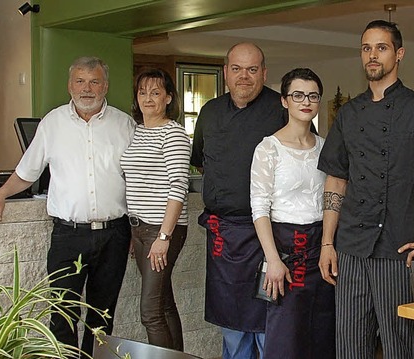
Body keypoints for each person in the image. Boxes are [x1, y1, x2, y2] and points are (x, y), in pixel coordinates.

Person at [317, 20, 414, 358]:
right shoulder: (348, 113)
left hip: (398, 251)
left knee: (401, 346)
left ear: (398, 54)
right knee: (349, 346)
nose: (373, 55)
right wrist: (328, 243)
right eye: (366, 48)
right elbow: (336, 180)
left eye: (381, 47)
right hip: (350, 250)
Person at [0, 56, 135, 357]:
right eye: (80, 81)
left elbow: (137, 179)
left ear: (105, 86)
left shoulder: (124, 124)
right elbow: (27, 172)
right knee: (61, 314)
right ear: (69, 85)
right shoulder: (52, 123)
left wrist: (137, 228)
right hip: (68, 236)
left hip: (115, 235)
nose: (86, 88)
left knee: (102, 316)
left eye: (94, 81)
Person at [190, 42, 286, 359]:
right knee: (231, 324)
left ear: (264, 73)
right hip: (223, 236)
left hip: (268, 235)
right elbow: (201, 160)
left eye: (252, 69)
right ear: (225, 73)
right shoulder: (210, 112)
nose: (243, 77)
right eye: (236, 69)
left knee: (266, 321)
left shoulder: (282, 111)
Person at [250, 68, 335, 359]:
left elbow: (332, 200)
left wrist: (329, 244)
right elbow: (259, 208)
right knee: (286, 331)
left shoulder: (325, 147)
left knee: (323, 328)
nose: (306, 101)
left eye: (313, 95)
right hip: (286, 247)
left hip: (321, 246)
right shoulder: (268, 148)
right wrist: (272, 259)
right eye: (298, 95)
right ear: (285, 101)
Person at [120, 68, 190, 351]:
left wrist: (163, 238)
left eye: (156, 92)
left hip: (161, 231)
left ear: (168, 98)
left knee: (149, 311)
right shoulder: (136, 132)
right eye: (143, 92)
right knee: (164, 304)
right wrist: (131, 233)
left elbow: (178, 188)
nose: (148, 98)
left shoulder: (173, 134)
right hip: (138, 229)